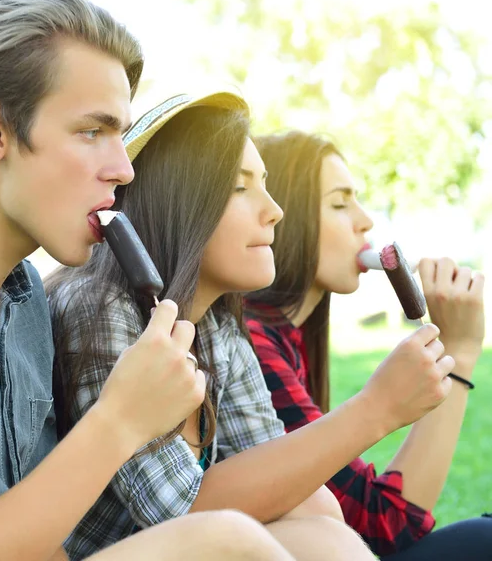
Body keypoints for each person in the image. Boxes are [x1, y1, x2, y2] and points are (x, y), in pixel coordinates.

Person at [0, 0, 299, 561]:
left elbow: (43, 537)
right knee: (226, 542)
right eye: (92, 131)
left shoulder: (24, 295)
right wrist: (121, 421)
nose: (124, 170)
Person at [46, 91, 455, 561]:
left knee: (317, 510)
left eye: (265, 184)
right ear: (178, 203)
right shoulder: (98, 309)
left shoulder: (218, 330)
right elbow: (180, 515)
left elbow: (278, 470)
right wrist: (375, 409)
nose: (275, 210)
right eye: (240, 188)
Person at [245, 130, 492, 560]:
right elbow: (387, 526)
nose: (366, 220)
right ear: (280, 215)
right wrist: (459, 352)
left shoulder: (287, 337)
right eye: (340, 203)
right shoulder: (254, 344)